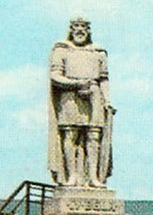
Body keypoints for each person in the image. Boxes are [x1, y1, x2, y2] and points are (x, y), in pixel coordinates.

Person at [48, 17, 114, 188]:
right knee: (70, 134)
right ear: (71, 29)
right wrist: (75, 84)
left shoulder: (98, 52)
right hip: (70, 95)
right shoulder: (62, 50)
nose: (80, 30)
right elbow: (55, 75)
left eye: (83, 27)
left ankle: (93, 177)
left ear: (88, 30)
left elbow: (104, 79)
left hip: (94, 94)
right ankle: (72, 177)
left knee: (94, 136)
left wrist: (107, 100)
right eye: (76, 26)